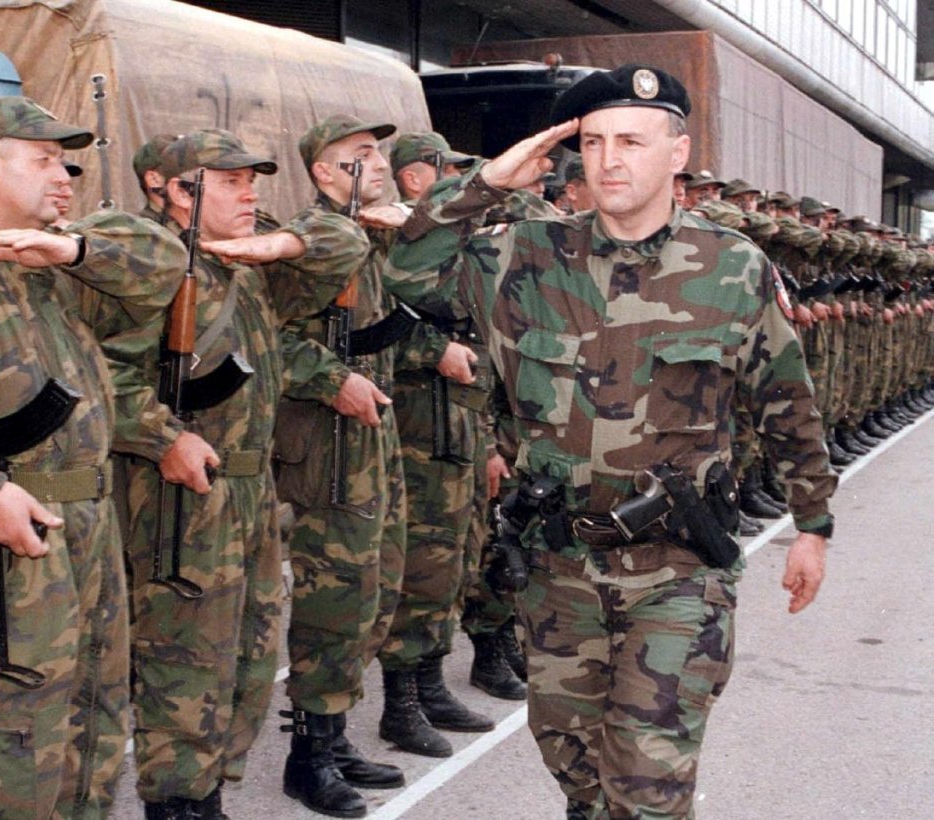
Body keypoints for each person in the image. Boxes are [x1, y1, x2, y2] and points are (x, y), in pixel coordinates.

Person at [383, 64, 836, 818]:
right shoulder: (523, 256)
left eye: (631, 141)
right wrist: (485, 183)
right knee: (581, 778)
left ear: (678, 153)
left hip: (677, 572)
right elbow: (405, 271)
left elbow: (785, 401)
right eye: (592, 142)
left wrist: (812, 525)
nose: (608, 160)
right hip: (556, 569)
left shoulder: (732, 267)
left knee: (647, 788)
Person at [0, 95, 186, 818]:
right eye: (44, 161)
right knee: (11, 746)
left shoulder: (51, 266)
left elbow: (166, 260)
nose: (65, 178)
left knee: (94, 723)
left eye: (67, 164)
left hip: (86, 524)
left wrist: (73, 250)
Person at [121, 128, 369, 818]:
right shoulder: (146, 265)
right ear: (174, 191)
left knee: (248, 655)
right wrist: (162, 435)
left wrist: (280, 244)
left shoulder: (244, 263)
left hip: (252, 490)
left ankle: (208, 792)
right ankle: (178, 803)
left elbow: (347, 242)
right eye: (229, 182)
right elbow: (100, 374)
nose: (249, 194)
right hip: (182, 498)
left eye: (251, 181)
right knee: (184, 660)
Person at [273, 114, 473, 817]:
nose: (380, 164)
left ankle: (332, 738)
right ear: (324, 173)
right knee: (335, 600)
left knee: (374, 592)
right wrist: (332, 380)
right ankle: (307, 759)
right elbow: (268, 338)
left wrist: (435, 349)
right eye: (362, 155)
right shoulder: (311, 244)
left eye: (380, 154)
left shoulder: (364, 237)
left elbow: (384, 329)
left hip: (373, 435)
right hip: (329, 444)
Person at [375, 130, 492, 757]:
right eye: (445, 170)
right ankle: (401, 703)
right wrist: (431, 349)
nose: (455, 183)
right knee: (420, 562)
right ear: (415, 178)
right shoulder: (390, 242)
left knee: (453, 559)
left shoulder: (453, 244)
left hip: (458, 419)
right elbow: (371, 332)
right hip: (415, 423)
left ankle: (430, 682)